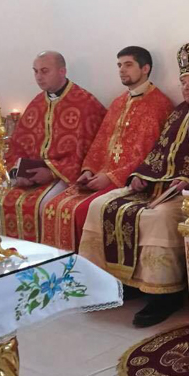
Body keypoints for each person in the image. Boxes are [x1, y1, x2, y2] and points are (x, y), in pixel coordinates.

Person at [79, 43, 189, 326]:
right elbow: (159, 151)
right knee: (100, 205)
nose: (185, 87)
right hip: (160, 187)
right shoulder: (179, 111)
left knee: (159, 217)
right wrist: (141, 175)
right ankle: (120, 283)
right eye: (183, 81)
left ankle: (165, 295)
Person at [40, 47, 173, 251]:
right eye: (119, 65)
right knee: (53, 206)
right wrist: (88, 170)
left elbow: (149, 154)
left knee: (81, 210)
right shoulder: (118, 102)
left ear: (145, 68)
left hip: (126, 181)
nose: (122, 70)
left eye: (128, 65)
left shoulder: (158, 105)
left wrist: (110, 177)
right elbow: (100, 142)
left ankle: (88, 266)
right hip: (99, 177)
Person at [1, 51, 105, 242]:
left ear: (62, 71)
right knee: (2, 200)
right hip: (32, 177)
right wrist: (18, 172)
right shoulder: (36, 103)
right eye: (35, 71)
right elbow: (17, 144)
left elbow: (91, 149)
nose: (38, 77)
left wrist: (51, 172)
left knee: (45, 206)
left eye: (44, 71)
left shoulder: (85, 103)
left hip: (64, 176)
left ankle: (48, 256)